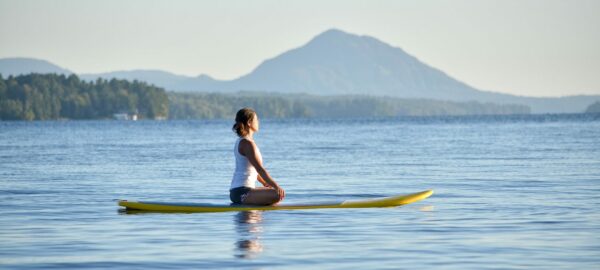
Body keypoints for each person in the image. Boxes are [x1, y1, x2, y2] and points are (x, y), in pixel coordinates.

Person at [229, 108, 285, 205]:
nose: (258, 122)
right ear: (249, 123)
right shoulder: (247, 144)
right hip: (241, 192)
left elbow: (254, 170)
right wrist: (276, 186)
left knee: (274, 192)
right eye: (256, 119)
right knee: (277, 194)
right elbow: (260, 169)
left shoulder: (244, 141)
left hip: (239, 190)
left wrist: (265, 183)